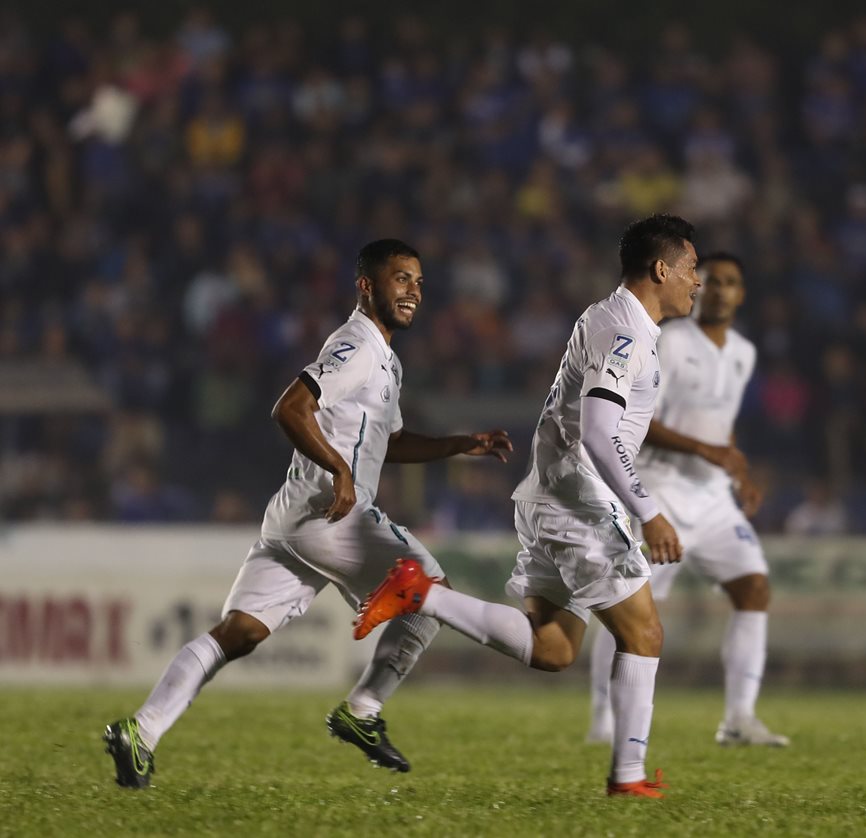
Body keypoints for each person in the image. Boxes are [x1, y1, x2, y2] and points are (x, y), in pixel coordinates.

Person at [102, 239, 512, 789]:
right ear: (367, 286)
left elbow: (389, 441)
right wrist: (340, 470)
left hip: (298, 517)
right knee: (428, 589)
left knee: (238, 633)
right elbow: (290, 408)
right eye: (400, 279)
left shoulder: (384, 357)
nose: (413, 290)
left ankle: (141, 730)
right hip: (331, 511)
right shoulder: (359, 346)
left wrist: (461, 443)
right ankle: (362, 711)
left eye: (418, 280)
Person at [352, 214, 702, 799]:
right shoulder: (626, 332)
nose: (699, 281)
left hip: (550, 494)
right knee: (645, 633)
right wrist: (648, 509)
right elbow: (597, 429)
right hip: (581, 499)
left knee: (554, 648)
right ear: (661, 268)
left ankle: (423, 594)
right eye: (692, 268)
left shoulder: (617, 318)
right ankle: (628, 779)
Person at [584, 252, 790, 748]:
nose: (719, 289)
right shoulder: (671, 343)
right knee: (631, 606)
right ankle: (603, 721)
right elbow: (639, 420)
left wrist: (737, 470)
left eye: (731, 282)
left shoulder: (742, 352)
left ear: (742, 294)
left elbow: (721, 425)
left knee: (754, 588)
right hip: (664, 490)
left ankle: (739, 718)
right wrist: (709, 450)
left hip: (714, 497)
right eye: (711, 280)